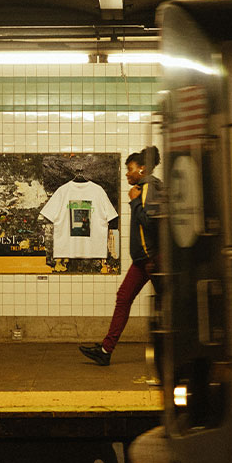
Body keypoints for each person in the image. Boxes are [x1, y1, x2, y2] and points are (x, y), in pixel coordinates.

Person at [79, 146, 162, 366]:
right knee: (123, 298)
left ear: (142, 169)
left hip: (152, 259)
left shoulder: (148, 189)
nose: (127, 173)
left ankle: (173, 351)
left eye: (130, 169)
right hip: (142, 260)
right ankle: (106, 351)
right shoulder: (142, 188)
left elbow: (151, 222)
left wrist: (135, 201)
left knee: (168, 305)